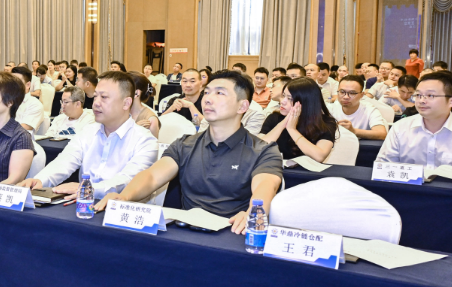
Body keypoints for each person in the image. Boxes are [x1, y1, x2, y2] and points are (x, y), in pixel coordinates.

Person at [96, 71, 284, 234]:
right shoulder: (185, 144)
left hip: (233, 232)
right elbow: (152, 176)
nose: (208, 99)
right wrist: (124, 196)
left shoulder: (263, 150)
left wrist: (253, 213)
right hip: (186, 232)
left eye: (220, 93)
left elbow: (265, 186)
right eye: (207, 92)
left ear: (242, 106)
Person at [19, 71, 159, 200]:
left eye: (104, 97)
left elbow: (126, 180)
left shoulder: (145, 141)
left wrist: (88, 189)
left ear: (126, 103)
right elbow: (64, 161)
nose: (96, 103)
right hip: (84, 206)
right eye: (96, 96)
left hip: (122, 211)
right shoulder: (88, 131)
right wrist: (39, 180)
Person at [376, 72, 452, 169]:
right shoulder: (400, 128)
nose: (421, 100)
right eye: (418, 95)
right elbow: (384, 167)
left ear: (450, 101)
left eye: (430, 95)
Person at [258, 78, 338, 162]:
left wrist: (292, 129)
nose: (282, 101)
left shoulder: (325, 122)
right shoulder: (274, 117)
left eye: (290, 98)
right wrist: (283, 124)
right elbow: (258, 148)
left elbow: (319, 156)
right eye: (283, 96)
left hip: (306, 170)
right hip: (275, 168)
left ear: (305, 102)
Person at [328, 75, 387, 140]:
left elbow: (382, 134)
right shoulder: (330, 108)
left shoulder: (370, 110)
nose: (346, 97)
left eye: (352, 93)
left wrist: (354, 131)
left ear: (361, 95)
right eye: (342, 92)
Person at [11, 66, 45, 132]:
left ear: (28, 85)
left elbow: (23, 128)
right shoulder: (5, 101)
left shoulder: (35, 104)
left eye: (17, 81)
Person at [128, 71, 160, 138]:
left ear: (136, 93)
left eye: (123, 88)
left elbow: (152, 144)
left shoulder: (151, 120)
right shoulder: (118, 111)